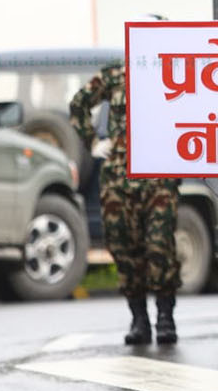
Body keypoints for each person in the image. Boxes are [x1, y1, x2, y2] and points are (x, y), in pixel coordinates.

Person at [70, 54, 181, 346]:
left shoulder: (177, 73)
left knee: (160, 245)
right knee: (123, 247)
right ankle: (139, 318)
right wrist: (93, 141)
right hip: (119, 176)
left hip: (159, 175)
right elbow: (78, 103)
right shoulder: (117, 75)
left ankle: (165, 317)